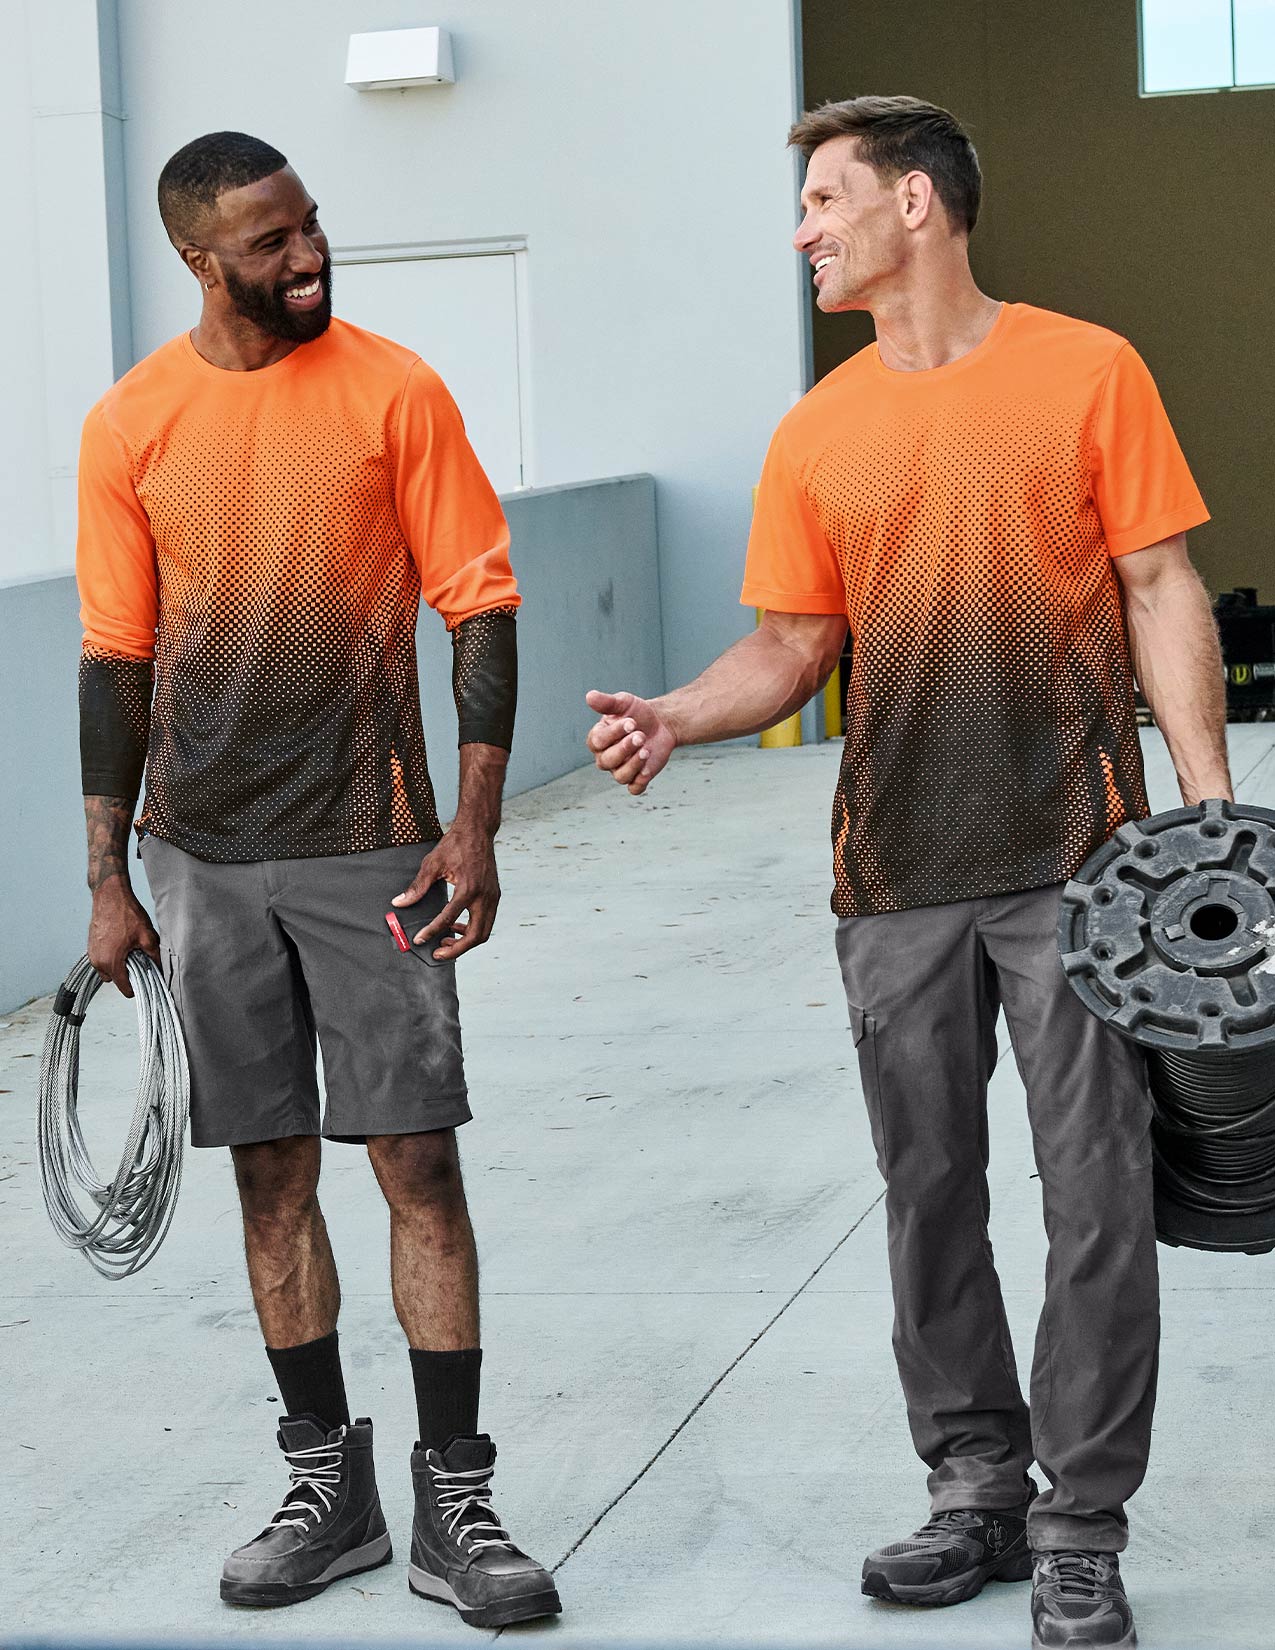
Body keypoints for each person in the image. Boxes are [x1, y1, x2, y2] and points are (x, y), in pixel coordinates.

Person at [585, 96, 1230, 1650]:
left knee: (1095, 1203)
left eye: (825, 198)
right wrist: (678, 710)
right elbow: (796, 647)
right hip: (893, 878)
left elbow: (1159, 583)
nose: (804, 228)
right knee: (927, 1194)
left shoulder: (1089, 369)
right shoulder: (819, 430)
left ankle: (1083, 1526)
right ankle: (976, 1487)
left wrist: (1208, 816)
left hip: (1078, 863)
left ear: (918, 206)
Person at [76, 130, 559, 1630]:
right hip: (206, 865)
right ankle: (324, 1484)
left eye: (311, 229)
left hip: (376, 844)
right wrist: (107, 873)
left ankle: (457, 1497)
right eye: (272, 243)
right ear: (198, 258)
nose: (308, 258)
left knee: (418, 1164)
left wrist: (472, 827)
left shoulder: (393, 390)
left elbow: (478, 607)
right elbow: (116, 661)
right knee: (271, 1175)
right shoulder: (130, 424)